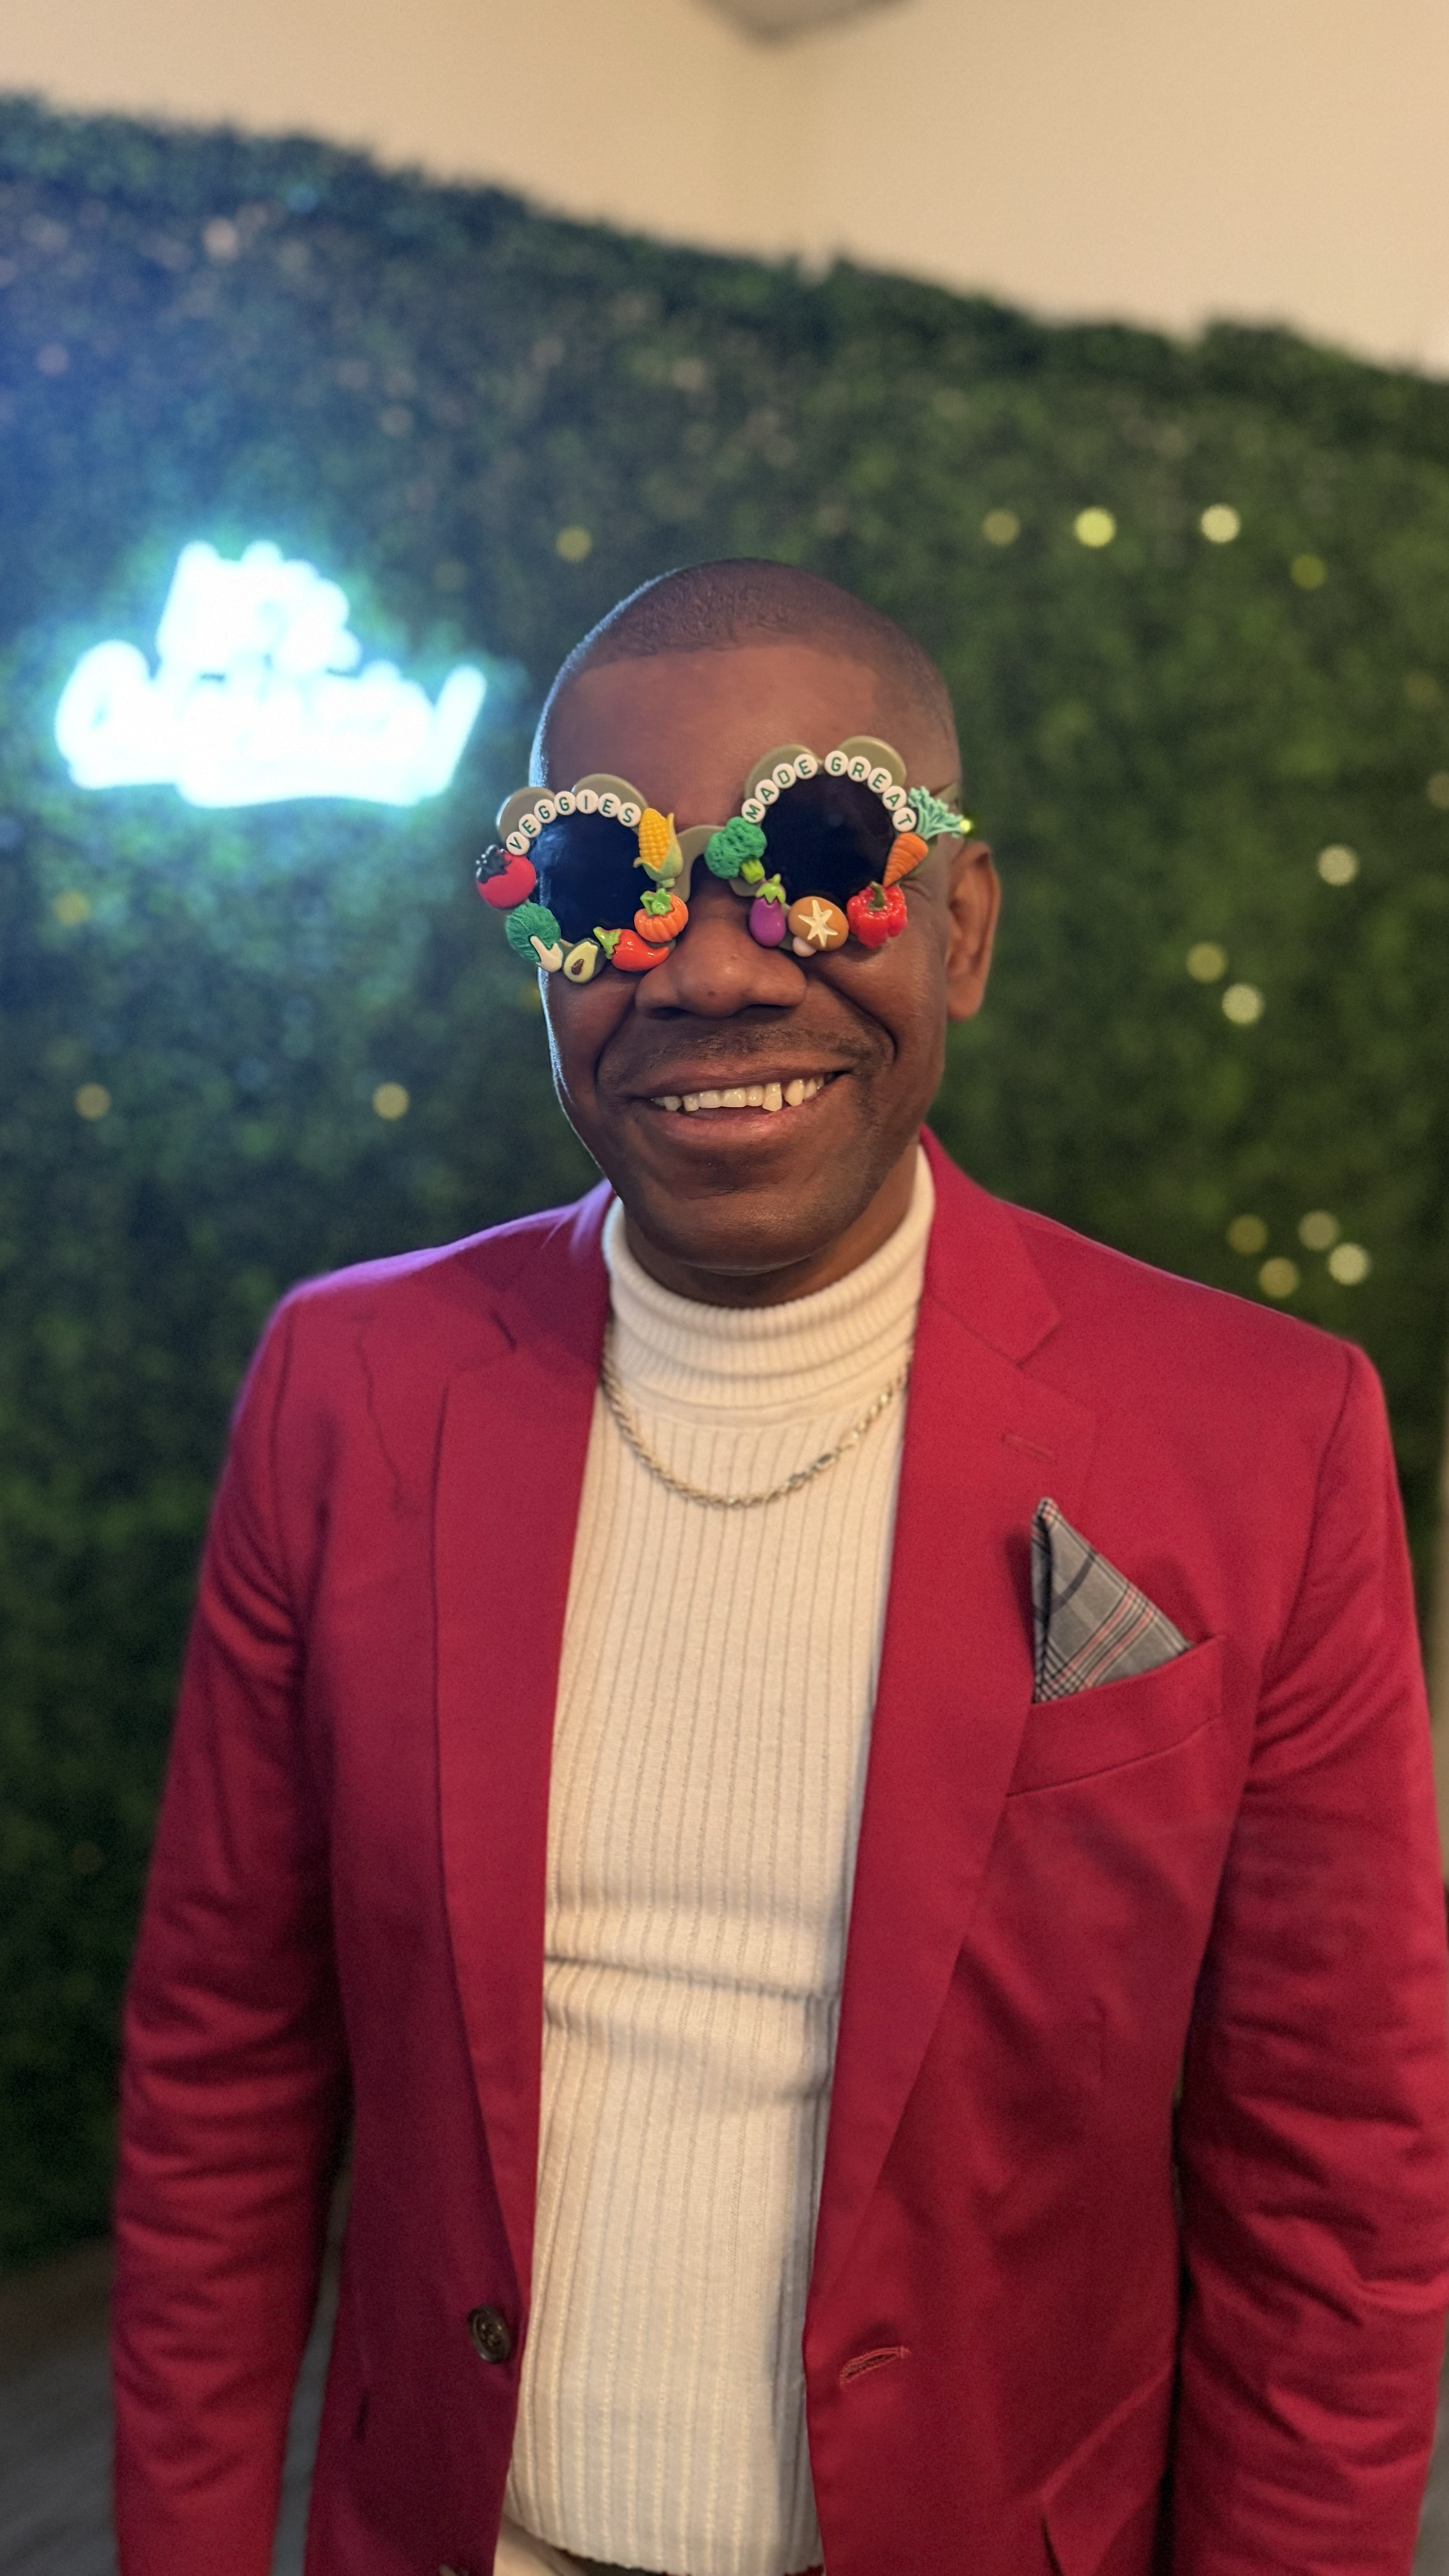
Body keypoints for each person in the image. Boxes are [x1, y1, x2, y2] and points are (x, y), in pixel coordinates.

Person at [112, 561, 1449, 2576]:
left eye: (818, 856)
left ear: (962, 921)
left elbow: (1332, 2183)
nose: (714, 973)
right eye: (601, 880)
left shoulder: (1258, 1434)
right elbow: (225, 2071)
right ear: (541, 937)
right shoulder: (348, 1384)